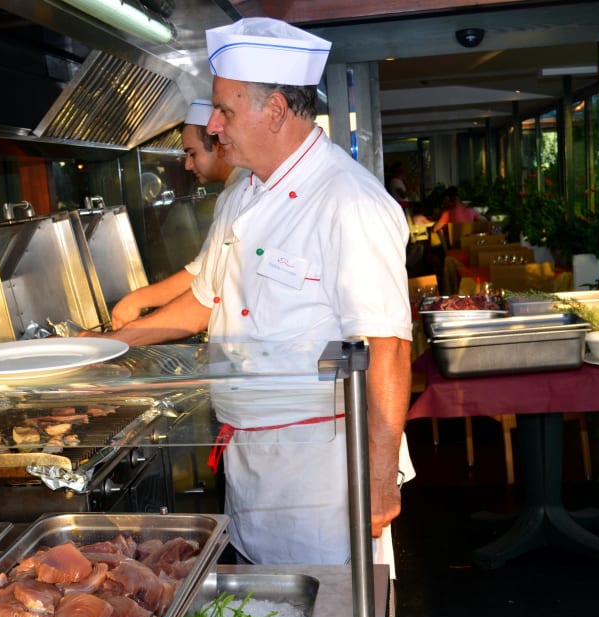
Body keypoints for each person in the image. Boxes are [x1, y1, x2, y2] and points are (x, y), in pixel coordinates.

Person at [98, 18, 413, 566]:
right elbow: (206, 297)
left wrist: (381, 480)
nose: (214, 126)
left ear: (274, 111)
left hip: (324, 474)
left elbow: (387, 347)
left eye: (225, 109)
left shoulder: (349, 202)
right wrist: (109, 344)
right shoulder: (241, 192)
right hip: (252, 462)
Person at [110, 100, 243, 329]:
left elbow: (202, 273)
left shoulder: (240, 191)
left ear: (220, 147)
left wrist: (137, 300)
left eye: (192, 154)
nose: (188, 165)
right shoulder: (235, 190)